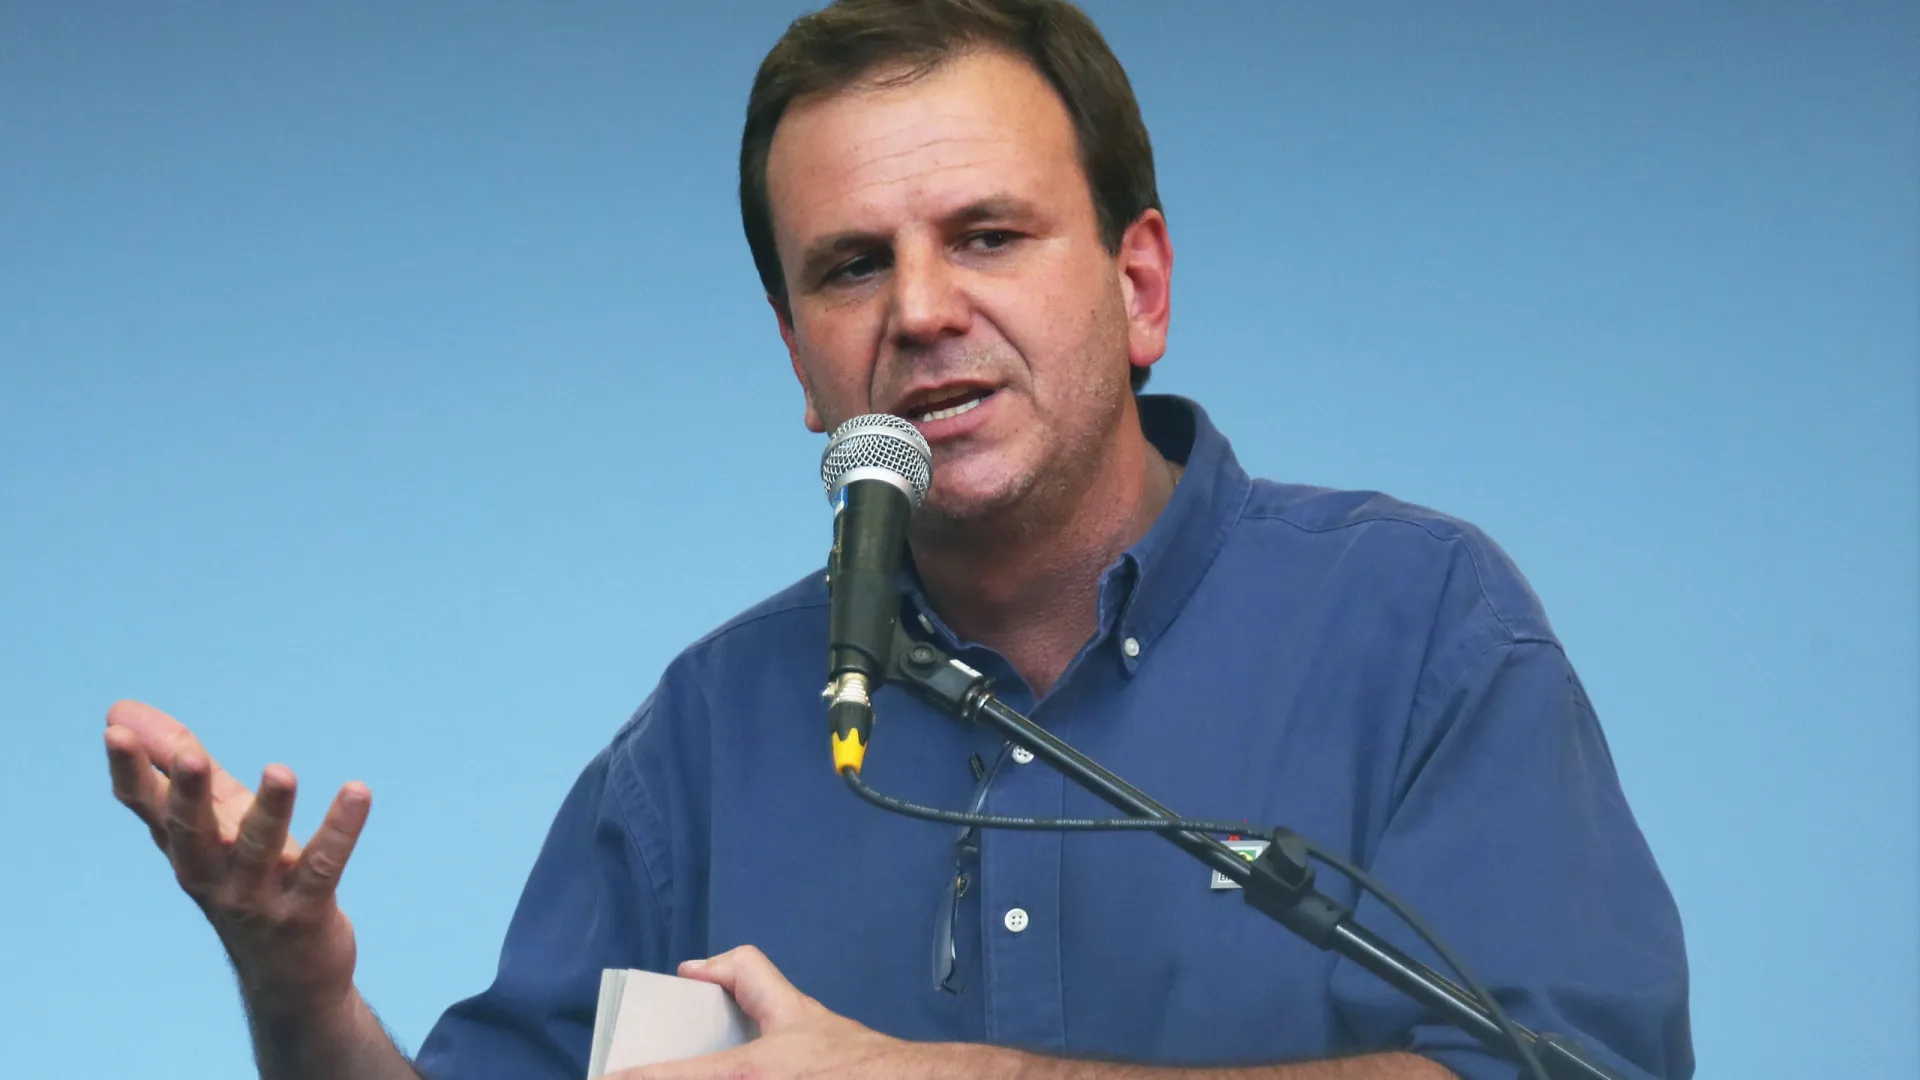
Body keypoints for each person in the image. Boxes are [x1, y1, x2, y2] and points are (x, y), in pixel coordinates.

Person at [102, 1, 1693, 1078]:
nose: (922, 310)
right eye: (853, 267)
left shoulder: (1414, 627)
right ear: (800, 359)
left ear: (1139, 286)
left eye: (987, 236)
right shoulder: (705, 742)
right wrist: (298, 986)